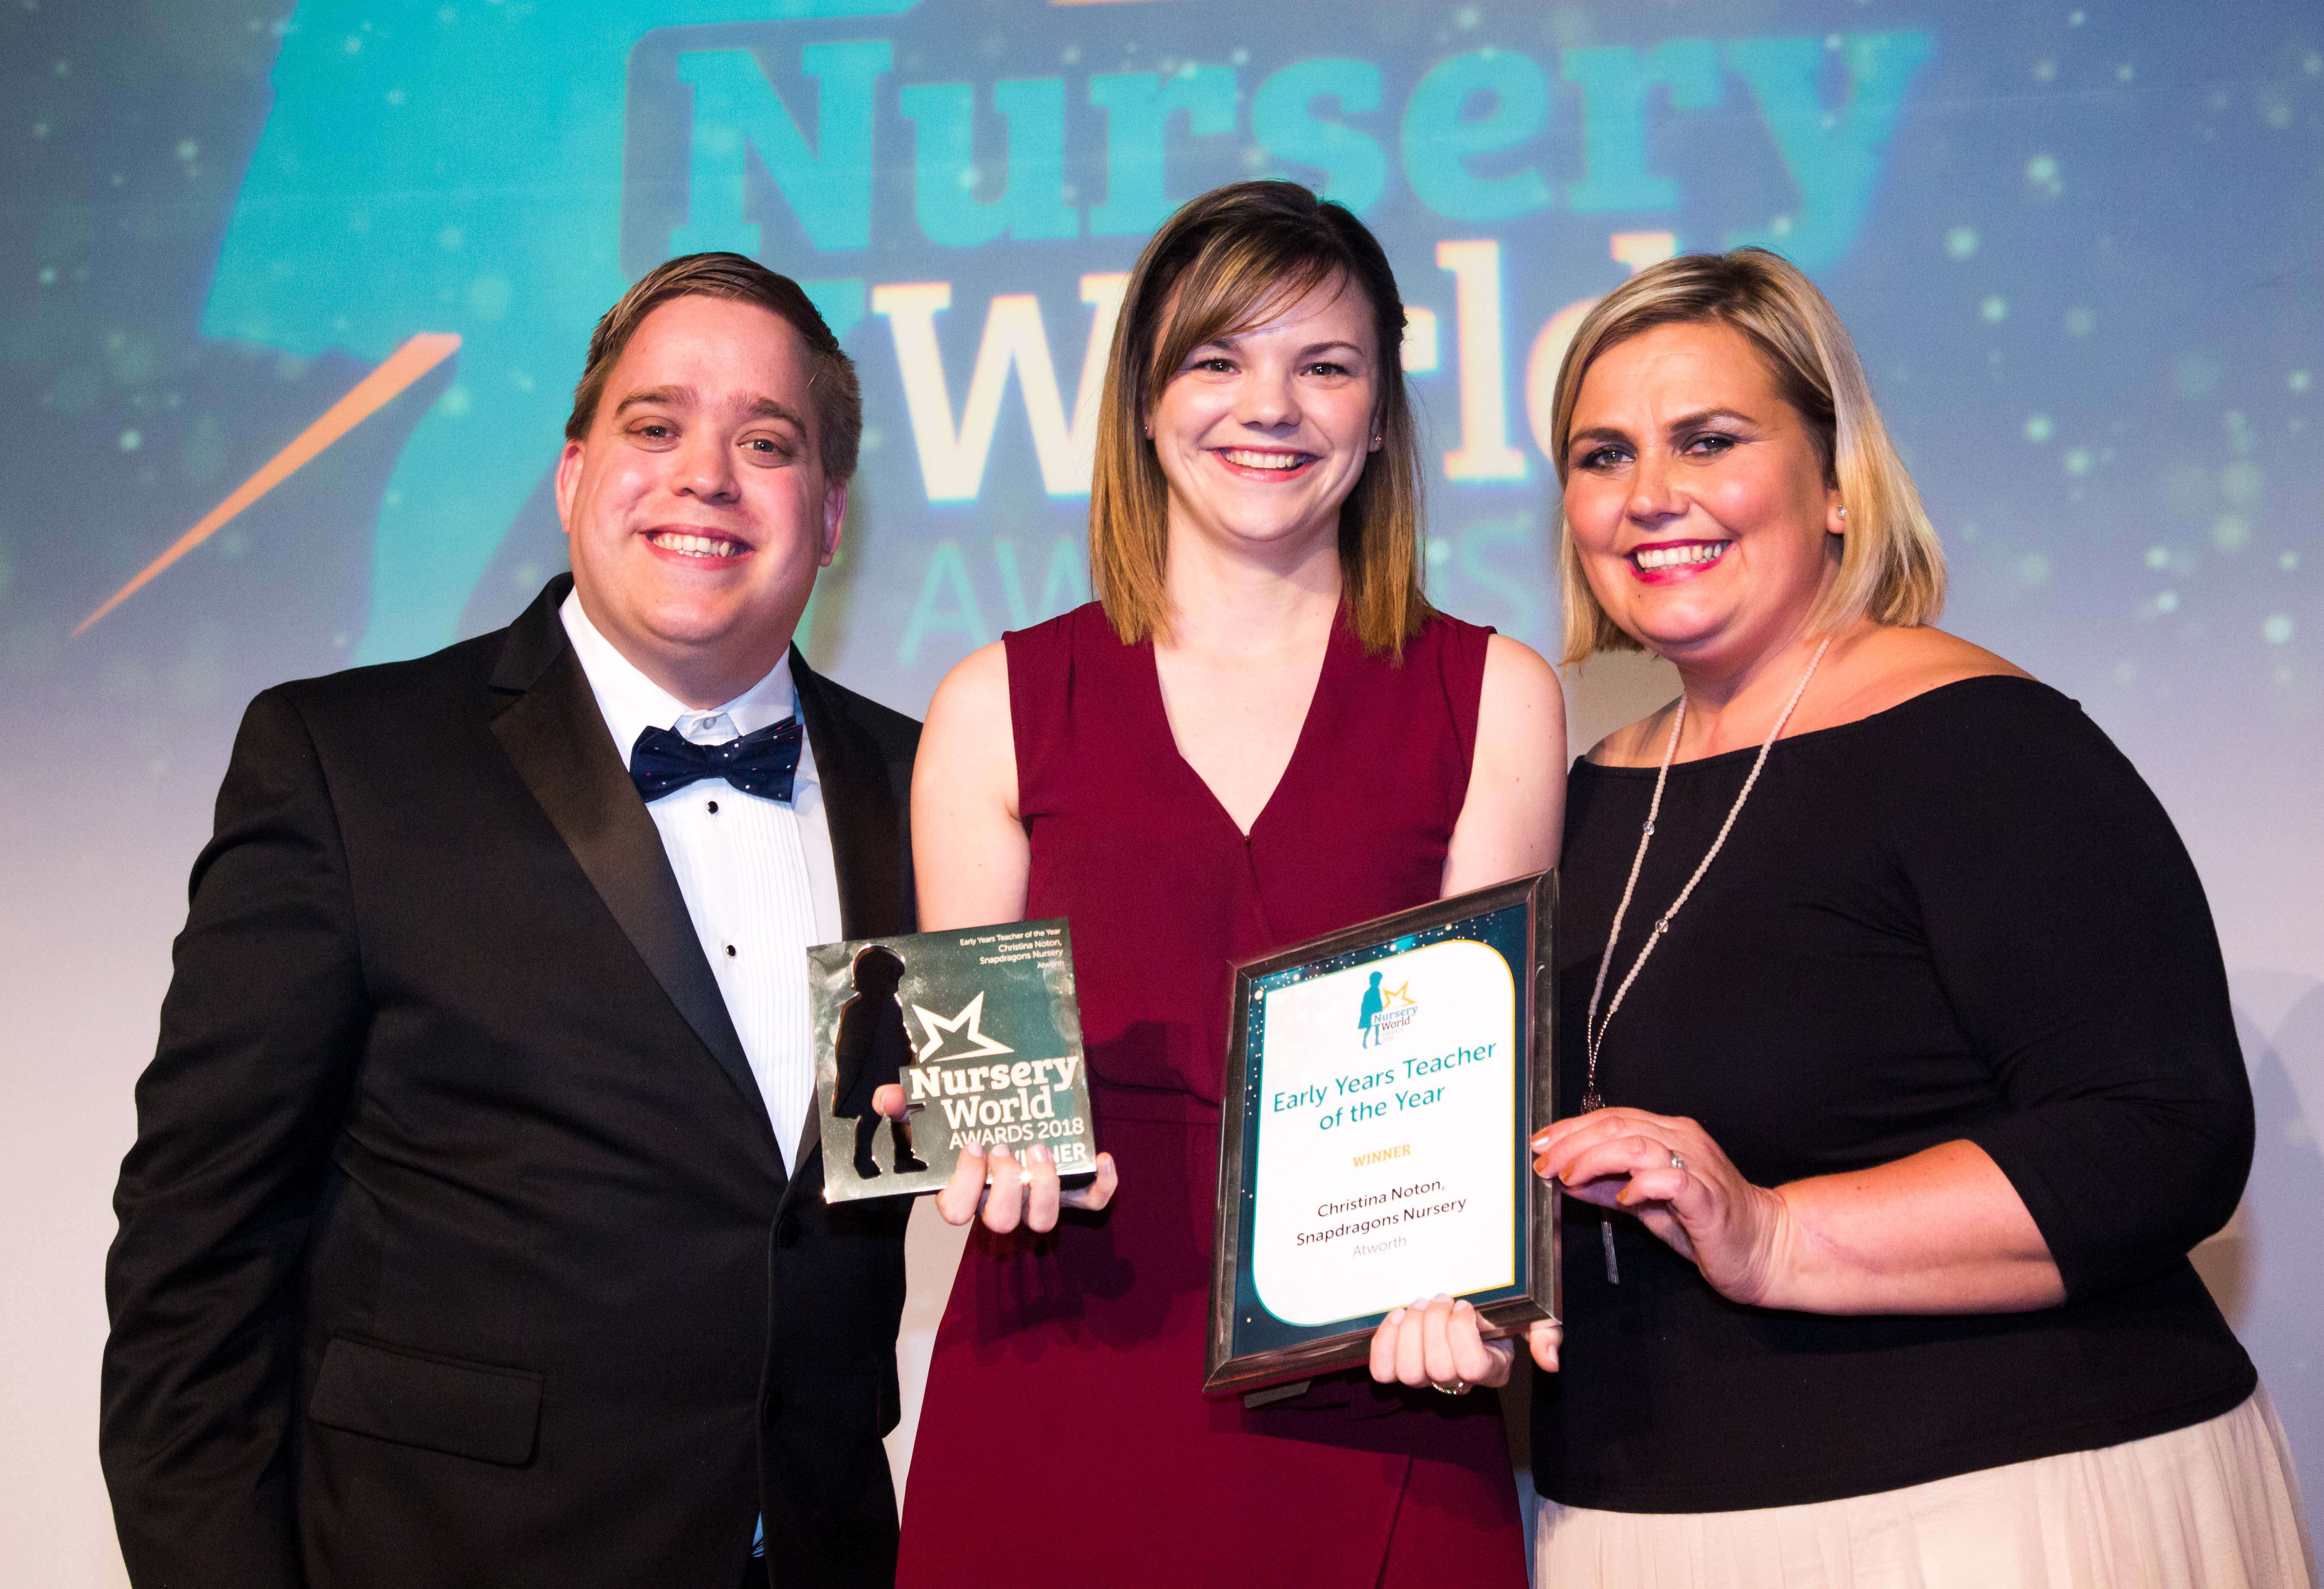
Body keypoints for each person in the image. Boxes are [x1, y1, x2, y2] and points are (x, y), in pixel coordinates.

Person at [1386, 247, 2310, 1586]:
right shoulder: (1581, 793)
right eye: (1600, 456)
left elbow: (2158, 1133)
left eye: (1706, 440)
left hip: (2000, 1506)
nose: (1649, 497)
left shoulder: (1973, 738)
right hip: (1640, 1522)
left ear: (1833, 484)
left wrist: (1773, 1231)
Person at [101, 253, 922, 1589]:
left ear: (828, 515)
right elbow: (194, 1262)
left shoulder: (929, 787)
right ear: (570, 475)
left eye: (764, 441)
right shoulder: (346, 760)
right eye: (654, 426)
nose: (705, 473)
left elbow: (972, 1144)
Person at [893, 180, 1567, 1585]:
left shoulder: (1491, 695)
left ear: (1378, 418)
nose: (1269, 406)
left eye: (1322, 366)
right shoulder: (993, 704)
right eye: (1217, 359)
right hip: (1059, 1395)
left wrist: (1474, 1284)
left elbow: (1482, 1111)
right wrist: (963, 1135)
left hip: (1378, 1389)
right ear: (1143, 402)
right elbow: (976, 1106)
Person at [833, 948, 927, 1178]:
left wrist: (906, 1051)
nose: (895, 986)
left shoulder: (892, 1006)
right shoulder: (856, 1009)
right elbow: (849, 1047)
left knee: (900, 1114)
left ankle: (903, 1158)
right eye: (891, 980)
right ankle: (862, 1158)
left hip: (891, 1071)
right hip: (870, 1076)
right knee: (871, 1117)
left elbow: (898, 1033)